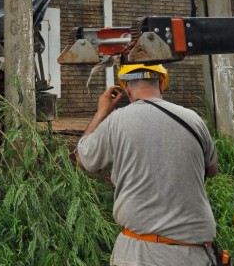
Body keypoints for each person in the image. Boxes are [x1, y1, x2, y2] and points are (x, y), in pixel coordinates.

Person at [76, 63, 218, 266]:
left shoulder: (116, 121)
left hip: (141, 252)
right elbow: (212, 170)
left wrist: (102, 112)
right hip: (196, 252)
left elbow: (83, 158)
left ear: (126, 89)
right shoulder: (193, 119)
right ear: (161, 84)